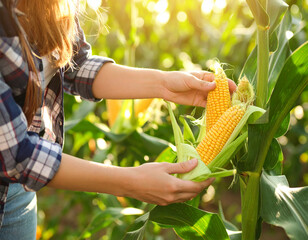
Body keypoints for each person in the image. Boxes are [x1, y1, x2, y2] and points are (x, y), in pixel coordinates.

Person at [0, 0, 236, 239]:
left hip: (17, 191)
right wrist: (131, 182)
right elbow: (16, 154)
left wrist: (165, 85)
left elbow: (76, 64)